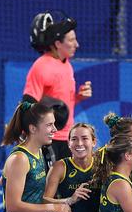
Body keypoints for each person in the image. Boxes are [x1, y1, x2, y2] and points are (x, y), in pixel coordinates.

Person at [25, 11, 92, 165]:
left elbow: (58, 105)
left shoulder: (66, 65)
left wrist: (77, 98)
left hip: (66, 138)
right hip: (48, 141)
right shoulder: (42, 66)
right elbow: (28, 104)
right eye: (72, 40)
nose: (77, 44)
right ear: (57, 44)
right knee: (48, 188)